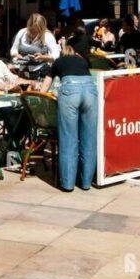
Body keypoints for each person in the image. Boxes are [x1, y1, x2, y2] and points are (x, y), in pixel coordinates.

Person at [38, 39, 99, 192]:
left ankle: (68, 184)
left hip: (70, 92)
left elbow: (46, 85)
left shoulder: (58, 61)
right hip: (90, 92)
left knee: (68, 139)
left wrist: (40, 96)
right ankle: (86, 183)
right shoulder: (82, 61)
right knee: (89, 139)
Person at [10, 14, 60, 80]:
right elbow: (13, 50)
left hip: (41, 71)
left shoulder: (47, 36)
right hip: (22, 71)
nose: (33, 33)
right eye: (31, 30)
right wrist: (16, 55)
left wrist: (43, 57)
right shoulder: (21, 32)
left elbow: (56, 55)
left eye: (36, 31)